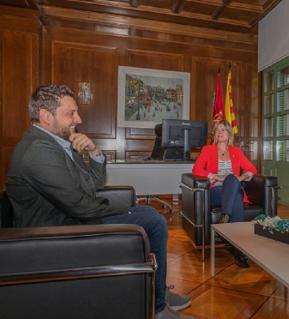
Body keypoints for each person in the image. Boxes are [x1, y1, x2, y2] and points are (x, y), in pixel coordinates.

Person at [6, 85, 193, 319]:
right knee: (153, 220)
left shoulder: (57, 143)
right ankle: (157, 307)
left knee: (148, 216)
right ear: (45, 115)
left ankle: (158, 291)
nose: (78, 118)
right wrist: (128, 209)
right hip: (55, 230)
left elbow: (91, 184)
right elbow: (81, 205)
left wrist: (94, 151)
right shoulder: (39, 150)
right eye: (71, 113)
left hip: (69, 217)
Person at [192, 120, 257, 266]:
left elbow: (252, 169)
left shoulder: (236, 152)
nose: (220, 132)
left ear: (229, 134)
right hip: (216, 191)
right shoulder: (207, 150)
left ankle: (227, 221)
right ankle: (239, 247)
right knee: (234, 191)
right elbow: (196, 169)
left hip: (233, 190)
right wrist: (214, 176)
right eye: (217, 130)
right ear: (214, 134)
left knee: (234, 187)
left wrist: (240, 177)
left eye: (223, 130)